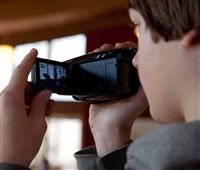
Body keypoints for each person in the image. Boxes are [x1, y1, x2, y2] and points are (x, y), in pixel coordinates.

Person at [0, 0, 199, 169]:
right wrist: (109, 132)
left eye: (139, 26)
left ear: (188, 35)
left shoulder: (162, 159)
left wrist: (8, 160)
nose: (136, 59)